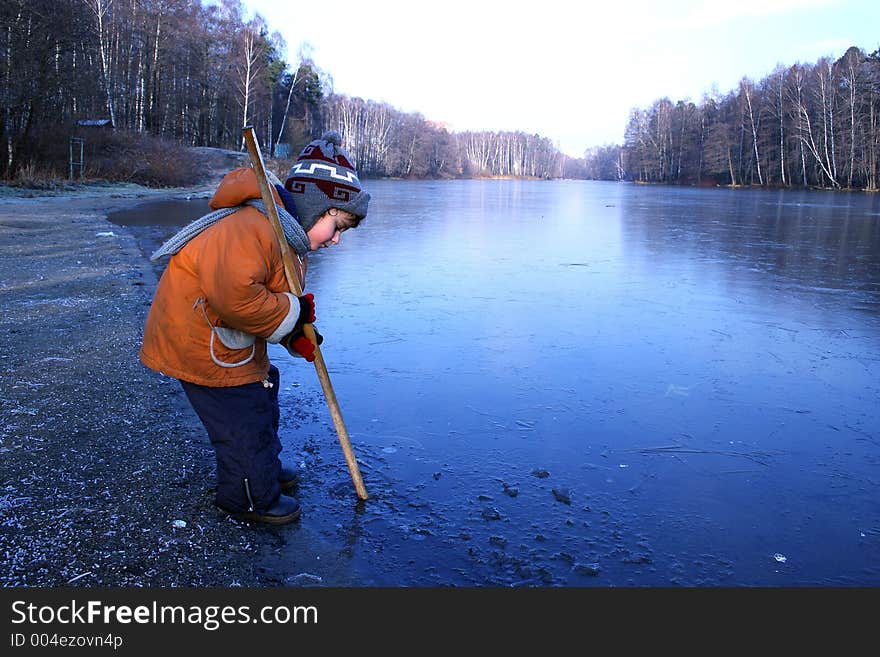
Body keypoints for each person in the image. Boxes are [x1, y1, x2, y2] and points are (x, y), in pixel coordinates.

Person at [139, 130, 370, 525]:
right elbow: (237, 298)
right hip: (199, 344)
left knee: (263, 393)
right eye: (338, 227)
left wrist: (296, 334)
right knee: (242, 419)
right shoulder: (251, 227)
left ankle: (263, 467)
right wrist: (292, 314)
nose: (336, 240)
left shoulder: (288, 238)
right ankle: (248, 495)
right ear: (317, 209)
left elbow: (275, 295)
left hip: (227, 341)